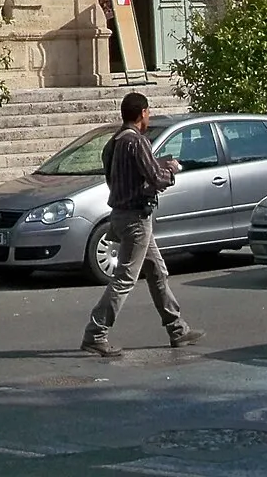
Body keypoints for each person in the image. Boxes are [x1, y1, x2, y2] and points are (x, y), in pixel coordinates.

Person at [80, 91, 203, 358]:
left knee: (157, 272)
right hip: (136, 218)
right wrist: (171, 169)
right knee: (125, 279)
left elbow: (124, 175)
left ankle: (177, 329)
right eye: (148, 112)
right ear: (142, 114)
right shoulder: (137, 142)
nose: (149, 116)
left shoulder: (114, 143)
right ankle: (96, 333)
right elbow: (157, 178)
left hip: (122, 214)